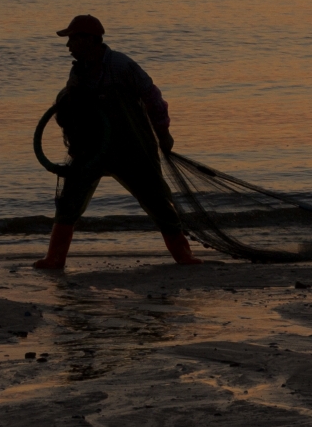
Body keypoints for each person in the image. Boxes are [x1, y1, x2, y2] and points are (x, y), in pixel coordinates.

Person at [33, 14, 199, 272]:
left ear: (89, 40)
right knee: (70, 200)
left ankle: (183, 254)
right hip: (91, 149)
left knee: (155, 198)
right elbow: (67, 111)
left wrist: (163, 133)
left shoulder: (121, 65)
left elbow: (153, 97)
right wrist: (69, 93)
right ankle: (54, 258)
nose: (68, 46)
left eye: (72, 39)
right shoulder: (78, 71)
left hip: (131, 147)